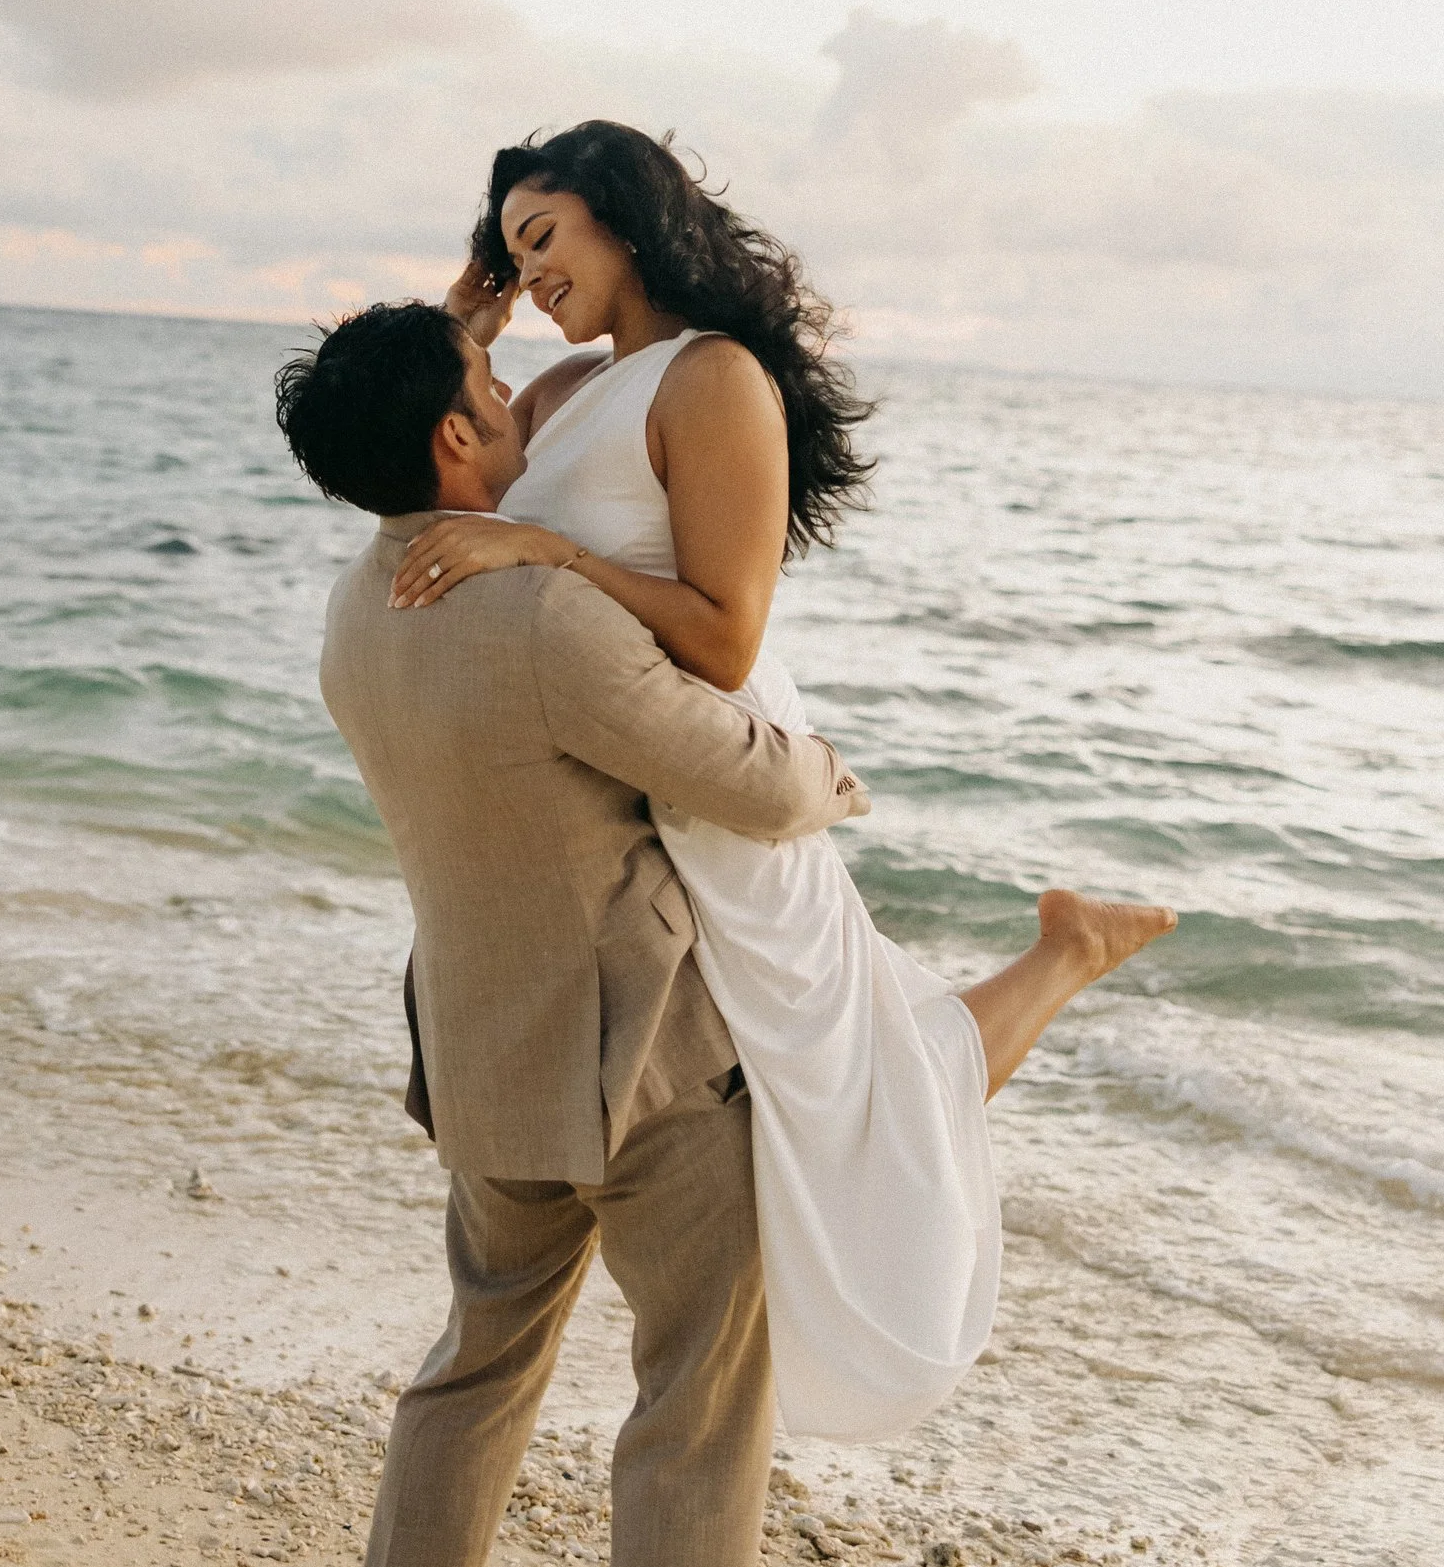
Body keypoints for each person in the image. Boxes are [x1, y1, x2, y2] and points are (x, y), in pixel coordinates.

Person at [274, 284, 1167, 1567]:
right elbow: (744, 781)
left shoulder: (361, 604)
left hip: (478, 1055)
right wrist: (834, 772)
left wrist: (454, 315)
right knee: (697, 1418)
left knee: (474, 1369)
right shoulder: (542, 617)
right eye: (490, 378)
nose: (517, 391)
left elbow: (466, 460)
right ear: (452, 432)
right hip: (646, 1073)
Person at [386, 118, 1176, 1442]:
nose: (535, 271)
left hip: (715, 764)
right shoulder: (568, 392)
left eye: (546, 237)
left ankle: (1063, 955)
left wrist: (551, 560)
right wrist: (465, 320)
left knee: (836, 1068)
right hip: (614, 770)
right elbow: (450, 453)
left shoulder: (715, 379)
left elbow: (724, 630)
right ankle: (1062, 949)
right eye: (513, 249)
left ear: (622, 220)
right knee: (820, 1069)